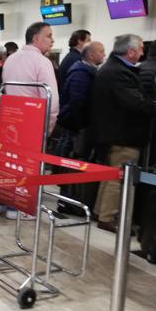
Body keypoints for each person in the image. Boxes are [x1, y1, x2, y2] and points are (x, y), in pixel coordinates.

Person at [91, 34, 156, 233]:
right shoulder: (119, 72)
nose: (142, 53)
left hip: (113, 132)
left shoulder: (113, 68)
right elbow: (133, 102)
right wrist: (154, 106)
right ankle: (108, 217)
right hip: (122, 133)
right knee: (118, 177)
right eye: (139, 49)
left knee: (110, 174)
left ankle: (100, 211)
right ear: (129, 51)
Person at [1, 22, 59, 220]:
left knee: (9, 163)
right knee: (27, 167)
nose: (52, 40)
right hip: (33, 123)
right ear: (36, 38)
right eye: (49, 36)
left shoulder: (11, 59)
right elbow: (51, 101)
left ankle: (3, 202)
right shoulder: (42, 62)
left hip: (10, 118)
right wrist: (48, 128)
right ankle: (21, 208)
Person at [55, 41, 105, 215]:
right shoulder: (81, 73)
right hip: (77, 127)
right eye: (101, 51)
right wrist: (81, 126)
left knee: (76, 164)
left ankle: (73, 201)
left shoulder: (87, 71)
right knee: (73, 164)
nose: (104, 55)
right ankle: (68, 202)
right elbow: (77, 101)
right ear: (90, 55)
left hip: (78, 126)